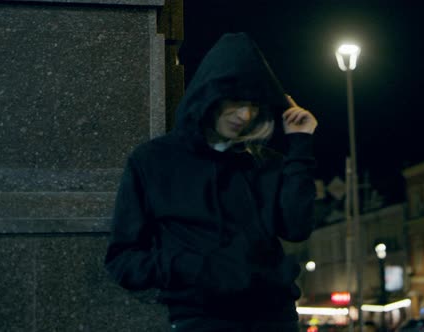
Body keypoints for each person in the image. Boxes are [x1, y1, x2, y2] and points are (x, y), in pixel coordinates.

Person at [104, 32, 318, 331]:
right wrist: (191, 267)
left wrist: (300, 144)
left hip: (275, 317)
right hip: (200, 318)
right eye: (235, 101)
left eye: (254, 105)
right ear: (210, 94)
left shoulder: (266, 164)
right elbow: (122, 259)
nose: (244, 115)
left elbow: (296, 228)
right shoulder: (154, 161)